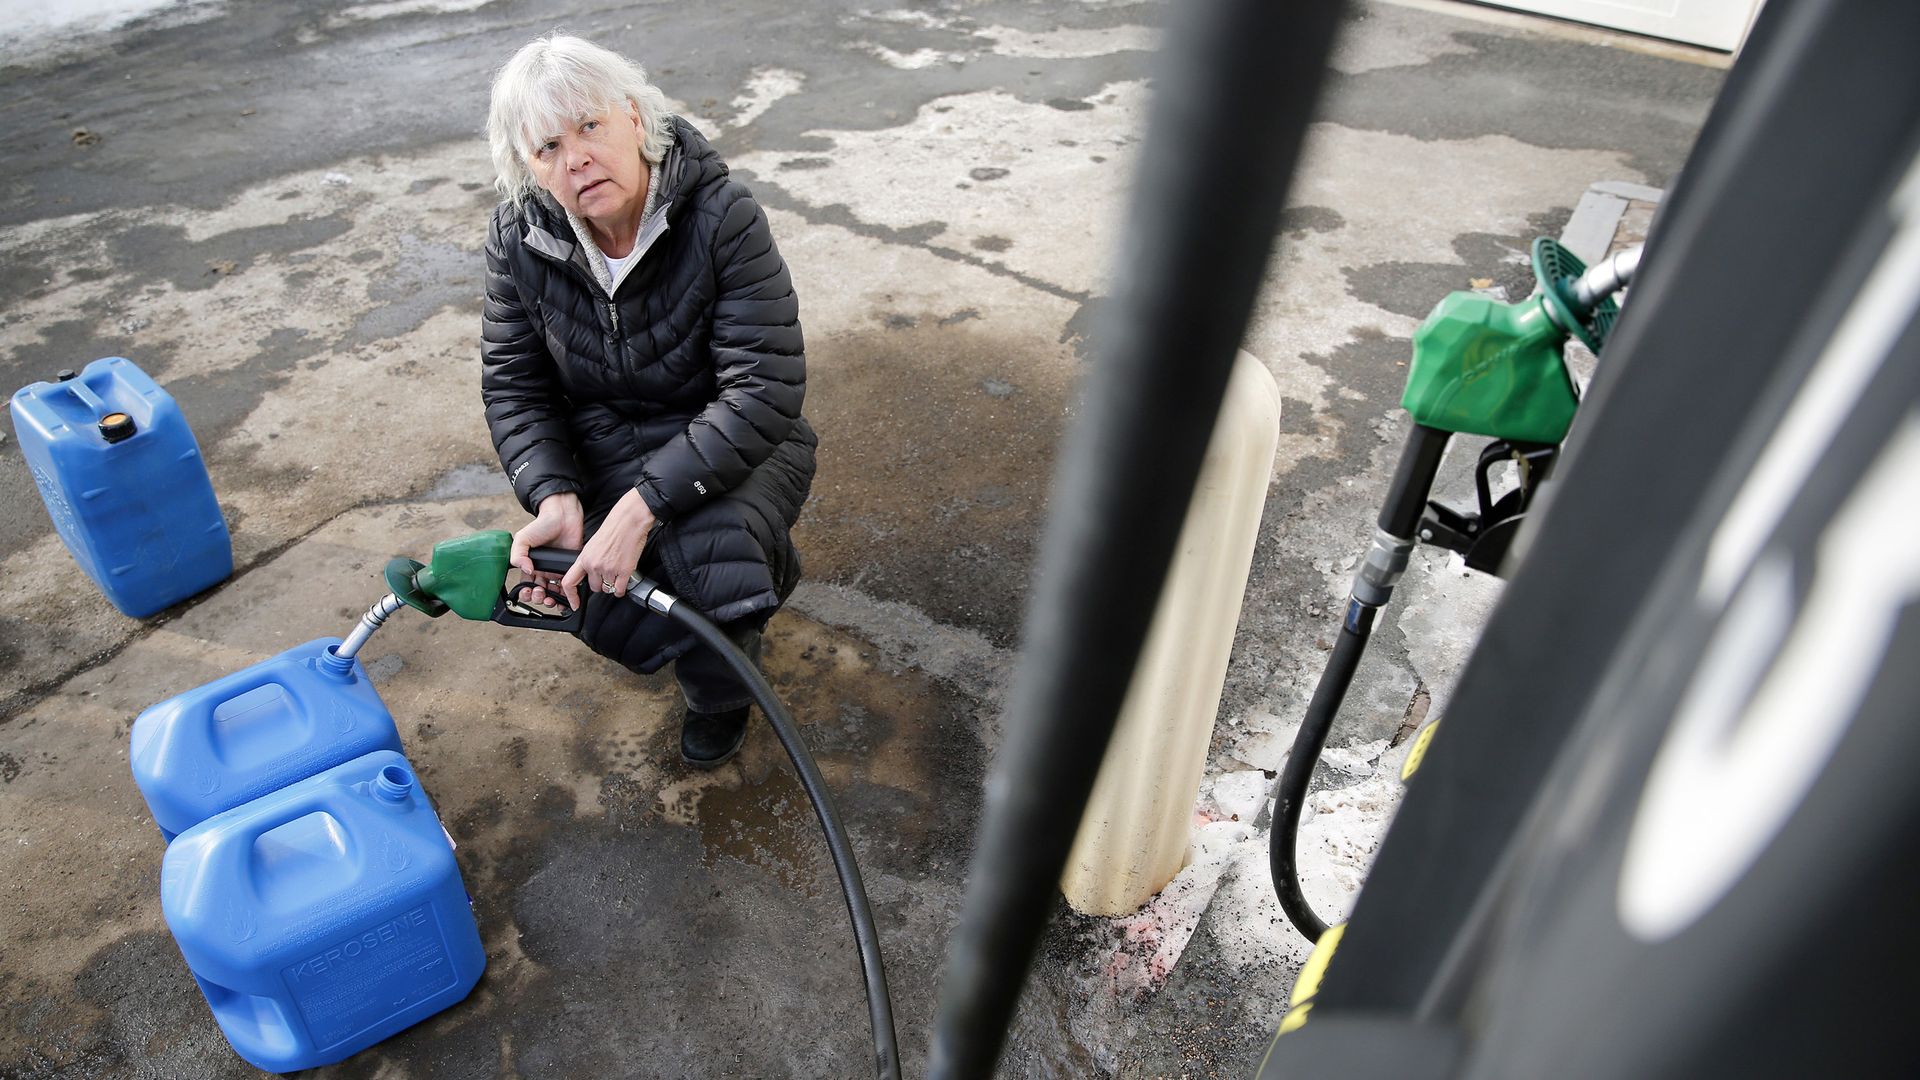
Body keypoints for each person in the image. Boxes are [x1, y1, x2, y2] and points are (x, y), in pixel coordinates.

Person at [481, 34, 816, 768]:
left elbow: (764, 388)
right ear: (530, 169)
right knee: (584, 579)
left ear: (635, 118)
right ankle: (718, 626)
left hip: (732, 432)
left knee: (711, 549)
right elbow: (514, 382)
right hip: (602, 441)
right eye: (547, 148)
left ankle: (722, 686)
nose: (575, 159)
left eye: (590, 127)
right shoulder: (518, 238)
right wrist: (552, 491)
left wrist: (640, 509)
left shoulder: (722, 216)